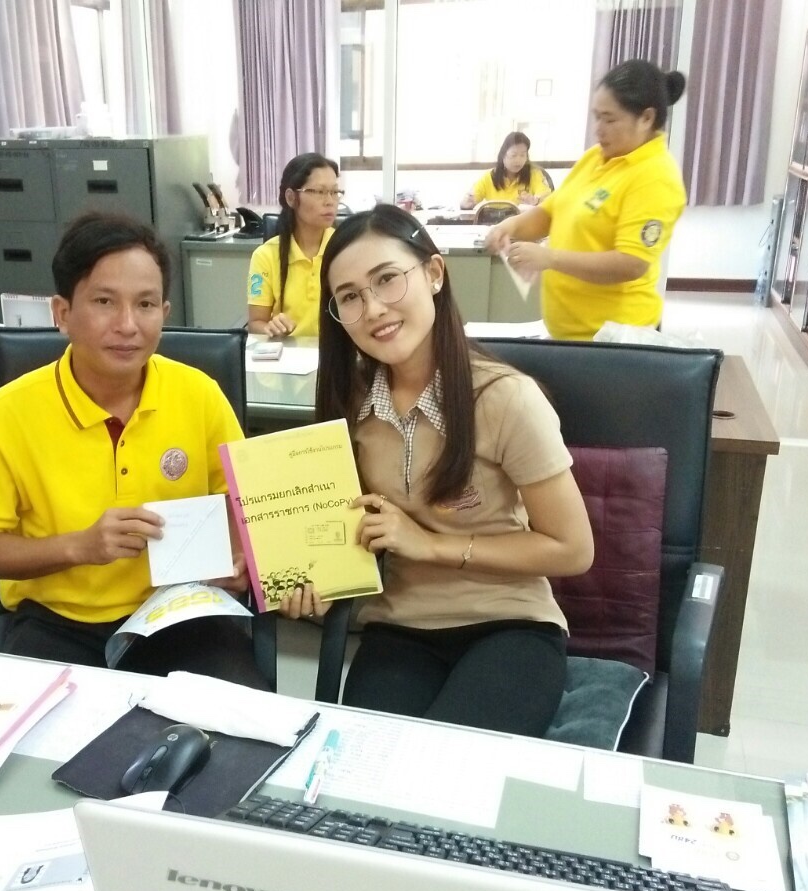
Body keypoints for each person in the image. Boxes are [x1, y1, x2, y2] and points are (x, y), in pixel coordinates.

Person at [282, 204, 594, 737]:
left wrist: (430, 545)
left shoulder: (505, 398)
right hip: (399, 628)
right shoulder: (349, 401)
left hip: (509, 622)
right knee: (365, 761)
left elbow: (573, 549)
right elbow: (347, 528)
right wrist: (310, 582)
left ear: (433, 273)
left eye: (387, 279)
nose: (373, 308)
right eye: (350, 297)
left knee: (454, 767)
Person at [0, 212, 268, 689]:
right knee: (34, 730)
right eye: (104, 301)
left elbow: (246, 504)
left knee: (231, 722)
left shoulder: (198, 394)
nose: (128, 325)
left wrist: (242, 559)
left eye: (146, 304)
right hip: (54, 621)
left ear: (165, 312)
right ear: (62, 313)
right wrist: (79, 546)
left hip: (175, 612)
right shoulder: (3, 417)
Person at [484, 60, 688, 341]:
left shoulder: (655, 176)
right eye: (597, 117)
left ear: (646, 118)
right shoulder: (595, 157)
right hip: (568, 334)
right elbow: (551, 212)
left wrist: (550, 258)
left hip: (612, 339)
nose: (598, 129)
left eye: (609, 119)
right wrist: (511, 226)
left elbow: (632, 263)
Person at [246, 152, 341, 338]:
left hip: (337, 352)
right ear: (291, 198)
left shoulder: (346, 248)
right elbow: (256, 323)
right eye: (320, 192)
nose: (330, 201)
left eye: (335, 192)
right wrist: (271, 329)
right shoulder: (265, 256)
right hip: (289, 352)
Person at [461, 132, 551, 208]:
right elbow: (467, 202)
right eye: (513, 155)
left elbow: (547, 197)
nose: (518, 160)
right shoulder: (489, 177)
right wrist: (467, 202)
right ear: (503, 156)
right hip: (496, 223)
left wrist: (535, 200)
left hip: (523, 223)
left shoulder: (534, 174)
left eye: (523, 155)